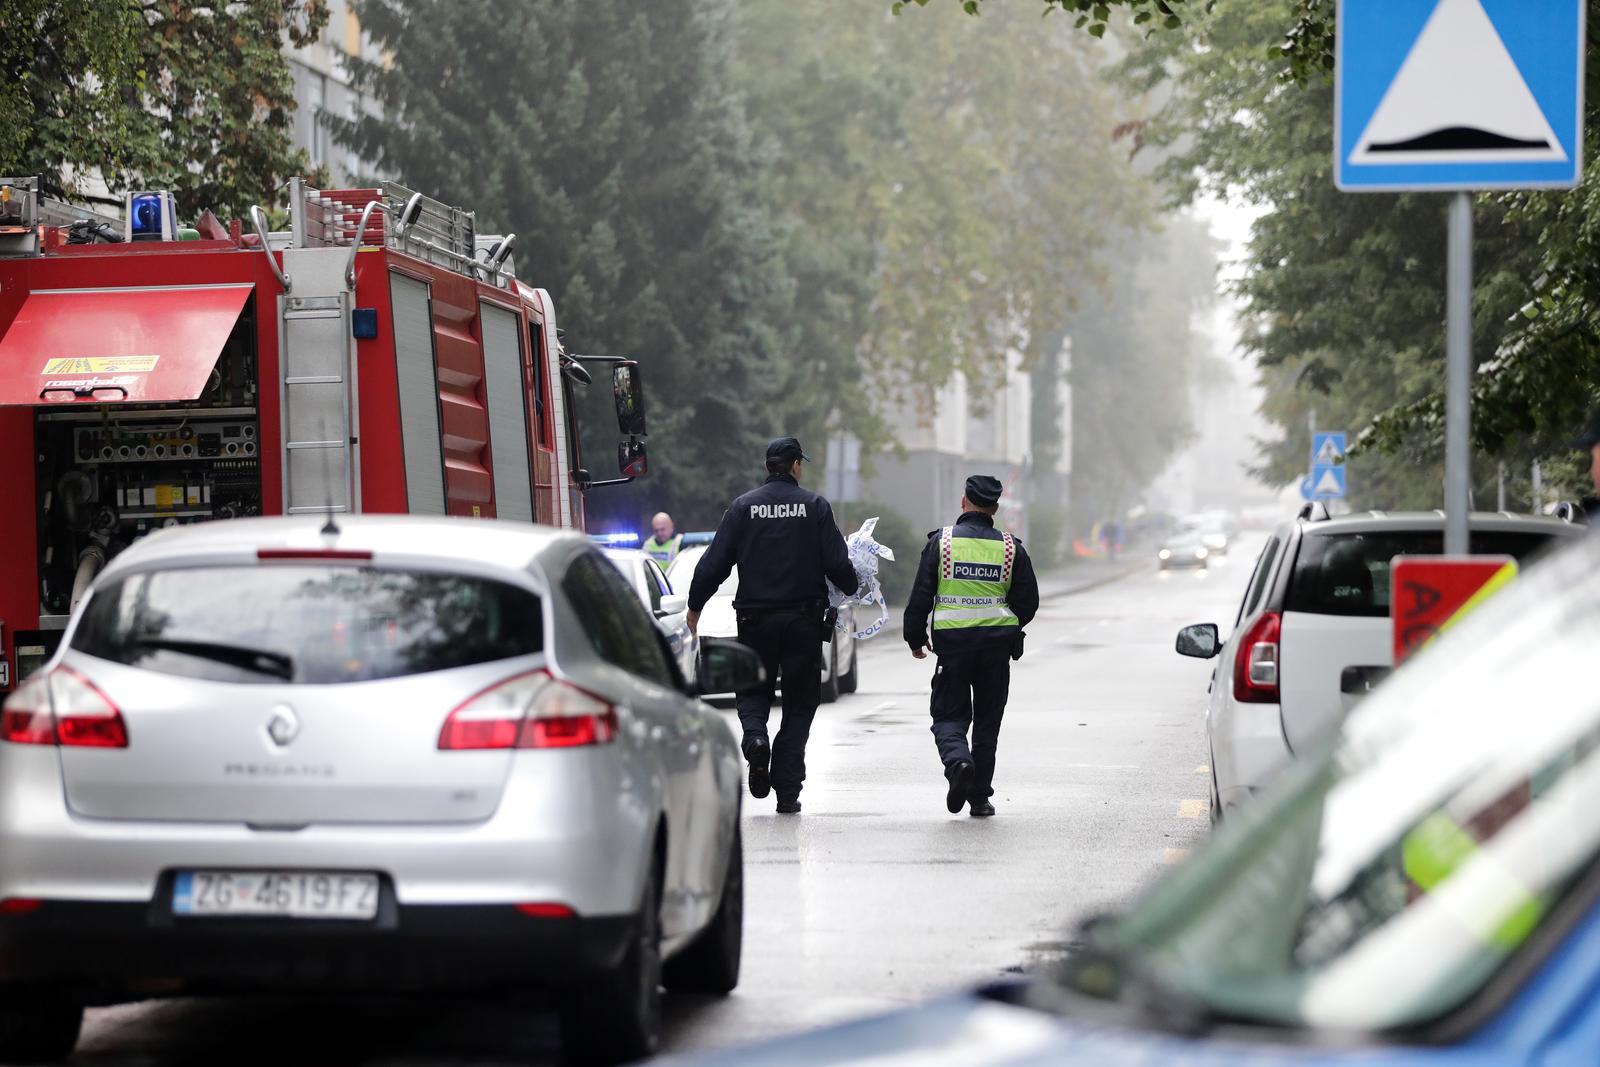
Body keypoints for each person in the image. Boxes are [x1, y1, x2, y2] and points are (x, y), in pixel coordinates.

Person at [687, 437, 858, 814]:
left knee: (752, 688)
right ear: (795, 466)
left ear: (768, 466)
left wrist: (695, 605)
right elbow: (837, 563)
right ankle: (787, 788)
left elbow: (714, 563)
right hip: (803, 622)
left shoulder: (742, 507)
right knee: (800, 700)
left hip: (755, 620)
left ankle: (755, 740)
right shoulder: (815, 506)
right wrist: (852, 585)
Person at [904, 475, 1039, 817]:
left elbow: (921, 595)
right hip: (996, 649)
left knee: (948, 715)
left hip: (953, 647)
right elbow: (1028, 602)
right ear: (995, 508)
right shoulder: (1011, 548)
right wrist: (1007, 625)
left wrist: (915, 638)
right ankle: (979, 798)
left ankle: (958, 764)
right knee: (988, 722)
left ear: (964, 502)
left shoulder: (943, 543)